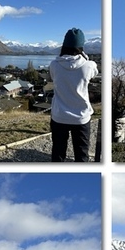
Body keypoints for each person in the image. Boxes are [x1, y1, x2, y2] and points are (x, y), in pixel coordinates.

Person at [49, 27, 98, 162]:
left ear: (64, 45)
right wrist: (84, 57)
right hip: (81, 117)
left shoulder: (54, 65)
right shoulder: (88, 65)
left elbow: (54, 77)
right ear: (81, 47)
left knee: (58, 153)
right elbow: (94, 72)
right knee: (82, 155)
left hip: (59, 116)